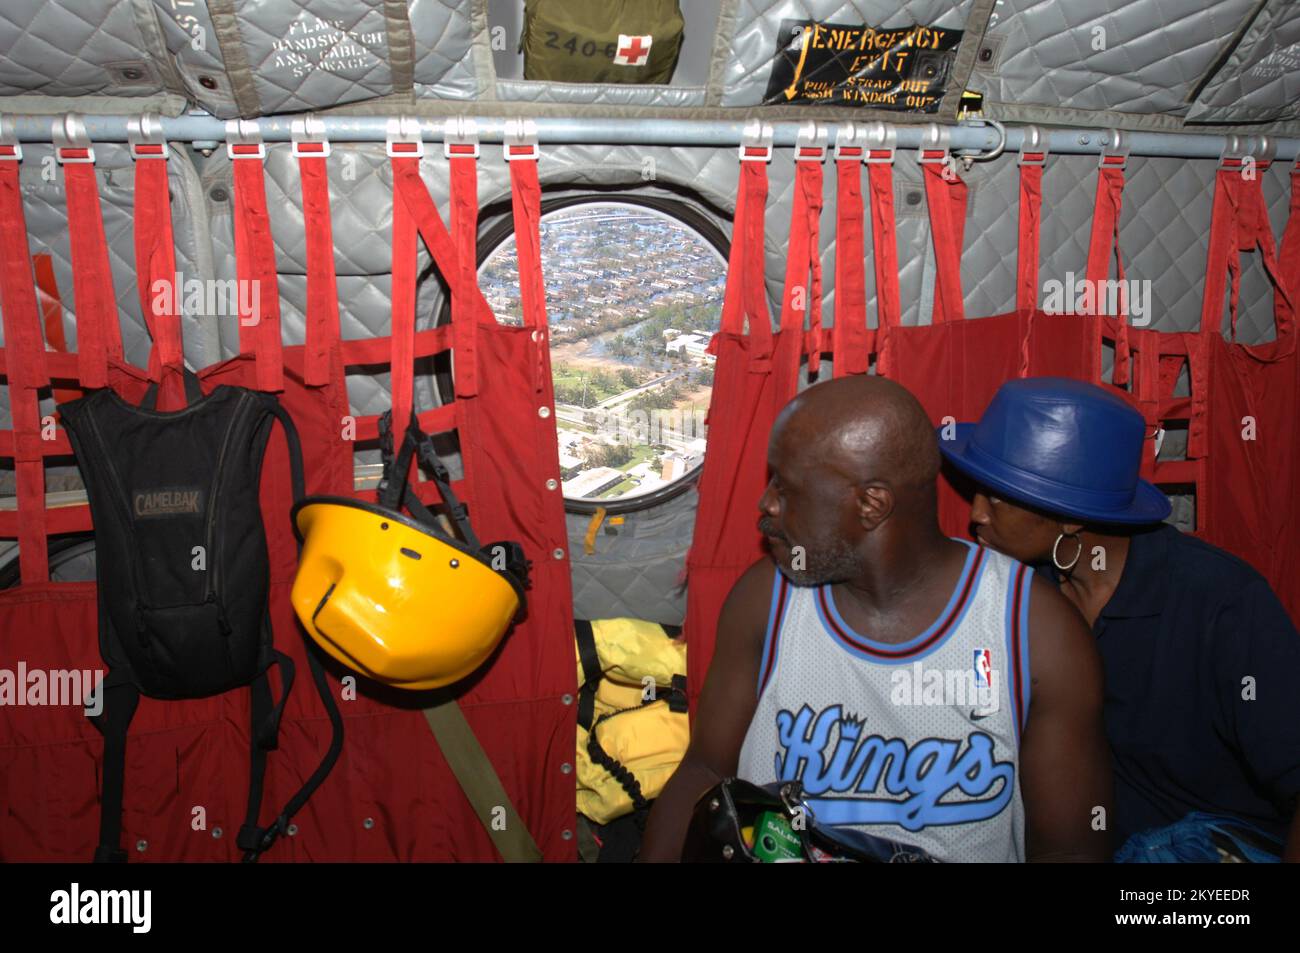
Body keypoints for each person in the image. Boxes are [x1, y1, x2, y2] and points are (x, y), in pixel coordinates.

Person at [639, 375, 1112, 862]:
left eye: (787, 486)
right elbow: (704, 769)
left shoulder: (1034, 631)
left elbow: (1072, 849)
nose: (767, 504)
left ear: (871, 505)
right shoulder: (767, 599)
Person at [938, 376, 1300, 862]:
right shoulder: (1019, 593)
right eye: (979, 490)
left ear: (1068, 517)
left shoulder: (1219, 602)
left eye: (998, 495)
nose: (976, 513)